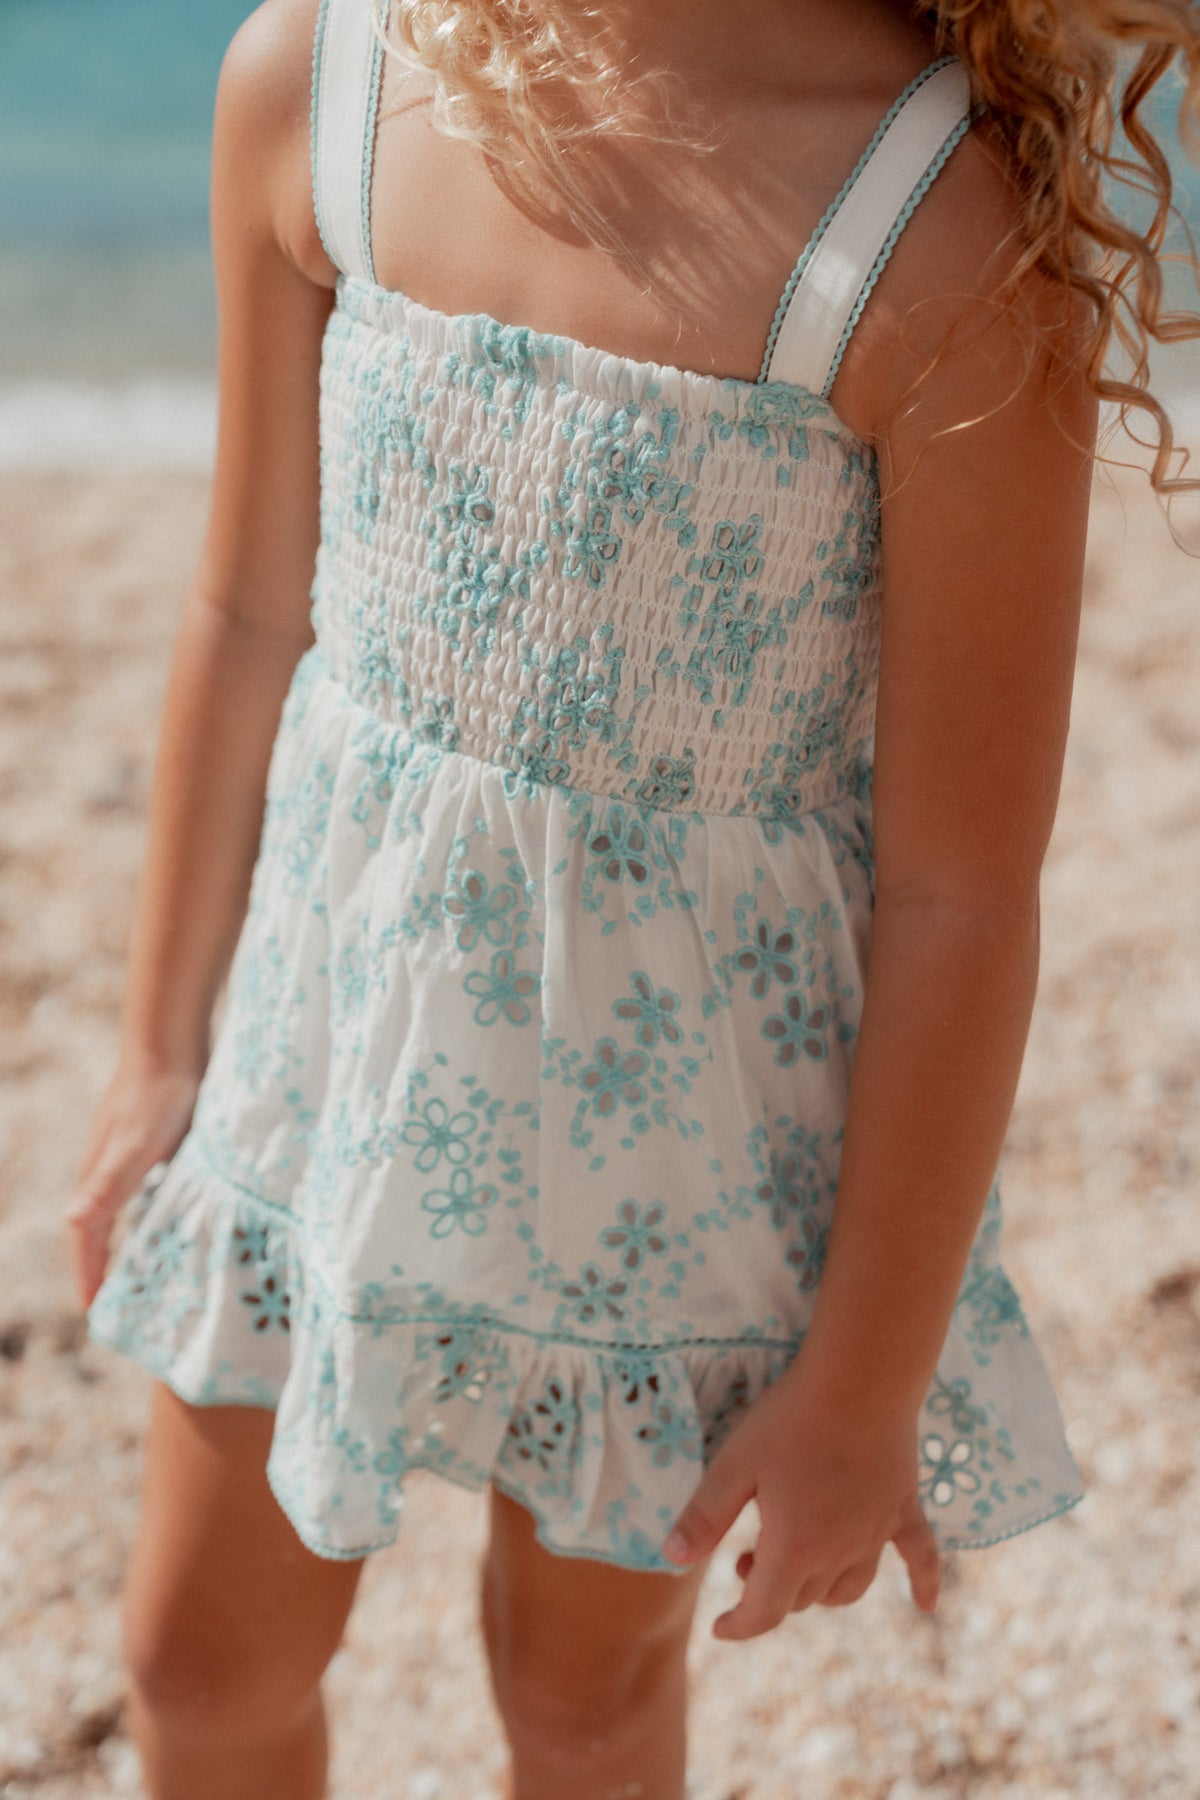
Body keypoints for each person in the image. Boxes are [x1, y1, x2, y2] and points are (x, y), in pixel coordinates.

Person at [65, 1, 1199, 1796]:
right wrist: (154, 1054)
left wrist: (864, 1387)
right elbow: (247, 612)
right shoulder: (323, 77)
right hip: (323, 1064)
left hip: (680, 1161)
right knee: (199, 1662)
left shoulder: (936, 233)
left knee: (580, 1700)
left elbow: (963, 893)